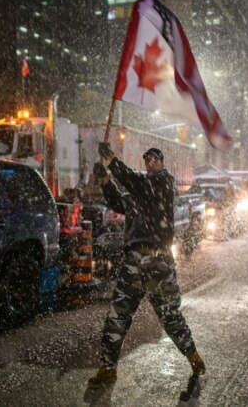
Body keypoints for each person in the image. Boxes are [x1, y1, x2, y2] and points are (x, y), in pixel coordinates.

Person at [86, 144, 205, 390]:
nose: (149, 162)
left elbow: (136, 183)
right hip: (133, 263)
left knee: (170, 316)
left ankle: (193, 357)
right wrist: (106, 180)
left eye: (153, 158)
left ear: (161, 162)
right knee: (117, 316)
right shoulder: (141, 190)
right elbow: (120, 202)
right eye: (146, 159)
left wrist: (111, 161)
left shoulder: (163, 183)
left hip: (157, 263)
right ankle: (108, 369)